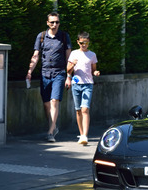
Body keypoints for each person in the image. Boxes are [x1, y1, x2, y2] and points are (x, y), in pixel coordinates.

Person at [26, 12, 72, 142]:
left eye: (57, 22)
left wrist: (69, 76)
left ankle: (50, 132)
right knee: (46, 105)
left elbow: (69, 58)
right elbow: (36, 56)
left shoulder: (64, 36)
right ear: (47, 23)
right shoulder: (41, 36)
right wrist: (30, 71)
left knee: (54, 101)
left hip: (59, 73)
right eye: (52, 22)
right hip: (45, 73)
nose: (55, 24)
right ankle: (53, 126)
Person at [66, 31, 100, 145]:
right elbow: (68, 70)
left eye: (85, 42)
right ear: (78, 42)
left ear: (88, 42)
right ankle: (81, 134)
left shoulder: (92, 55)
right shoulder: (74, 54)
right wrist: (72, 64)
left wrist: (96, 72)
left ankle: (85, 135)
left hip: (88, 84)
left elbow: (93, 69)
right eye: (81, 43)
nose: (83, 45)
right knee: (78, 110)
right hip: (76, 84)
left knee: (85, 109)